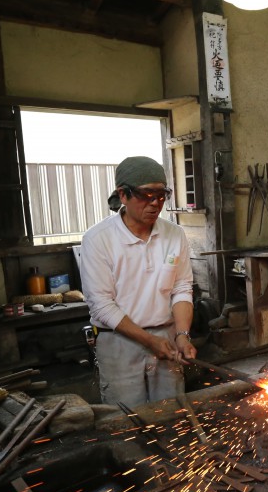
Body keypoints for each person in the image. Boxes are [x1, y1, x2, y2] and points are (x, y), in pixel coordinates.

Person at [80, 156, 197, 407]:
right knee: (127, 419)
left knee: (171, 414)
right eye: (146, 195)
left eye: (161, 195)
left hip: (167, 335)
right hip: (119, 342)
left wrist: (182, 335)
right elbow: (101, 304)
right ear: (123, 194)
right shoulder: (98, 239)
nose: (155, 204)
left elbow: (181, 288)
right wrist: (149, 341)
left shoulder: (174, 235)